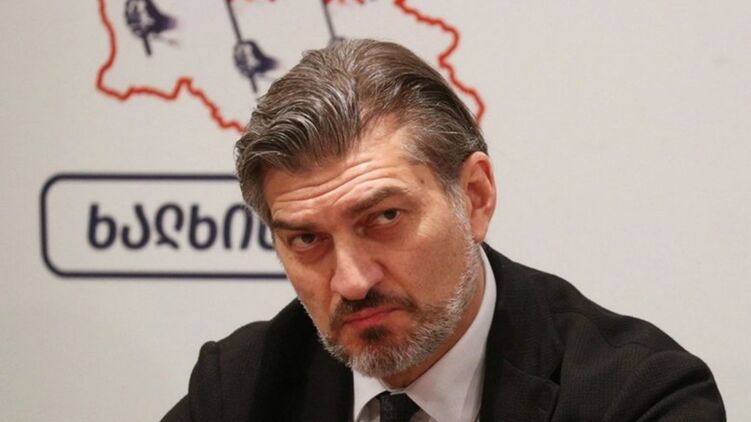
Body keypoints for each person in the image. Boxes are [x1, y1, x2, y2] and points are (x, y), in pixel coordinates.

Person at [163, 39, 725, 421]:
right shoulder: (239, 388)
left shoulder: (636, 397)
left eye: (384, 218)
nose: (352, 282)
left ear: (475, 197)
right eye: (307, 239)